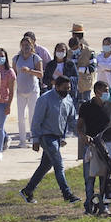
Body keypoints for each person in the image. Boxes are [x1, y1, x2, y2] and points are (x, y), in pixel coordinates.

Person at [19, 75, 81, 205]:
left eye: (69, 88)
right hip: (46, 136)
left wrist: (81, 133)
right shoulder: (45, 99)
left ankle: (27, 190)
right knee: (59, 165)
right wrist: (35, 139)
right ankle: (67, 194)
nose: (67, 91)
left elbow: (70, 120)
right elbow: (36, 120)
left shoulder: (68, 99)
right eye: (64, 88)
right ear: (57, 87)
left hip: (57, 138)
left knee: (45, 166)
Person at [77, 81, 111, 212]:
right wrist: (84, 136)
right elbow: (79, 126)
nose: (107, 92)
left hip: (106, 147)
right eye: (105, 90)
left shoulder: (110, 106)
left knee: (105, 177)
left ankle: (104, 205)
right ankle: (89, 204)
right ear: (97, 91)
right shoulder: (86, 106)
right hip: (91, 146)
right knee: (89, 178)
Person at [13, 38, 44, 148]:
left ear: (32, 46)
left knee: (32, 116)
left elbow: (41, 74)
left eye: (28, 45)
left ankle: (33, 139)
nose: (26, 47)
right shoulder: (16, 58)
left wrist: (30, 71)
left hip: (33, 91)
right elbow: (14, 73)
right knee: (21, 117)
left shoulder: (36, 58)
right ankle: (22, 140)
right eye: (23, 45)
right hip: (20, 90)